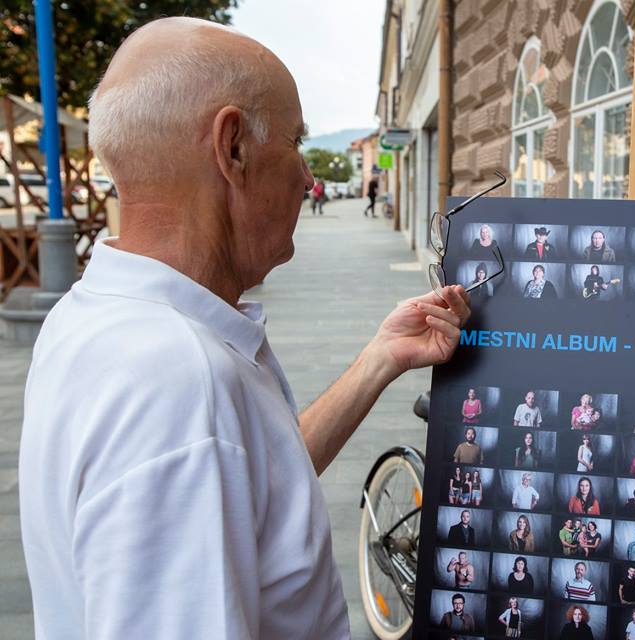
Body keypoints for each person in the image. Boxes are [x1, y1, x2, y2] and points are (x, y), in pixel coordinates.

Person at [19, 19, 475, 638]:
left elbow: (255, 481)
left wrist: (380, 358)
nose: (309, 179)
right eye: (295, 143)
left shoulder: (89, 314)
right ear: (232, 147)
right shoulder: (178, 384)